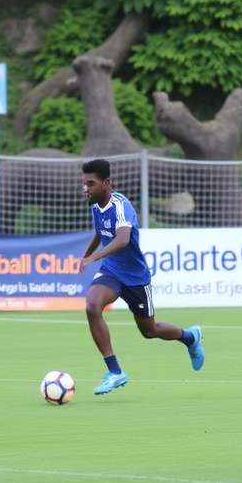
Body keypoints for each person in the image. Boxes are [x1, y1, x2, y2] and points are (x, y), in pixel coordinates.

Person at [79, 158, 204, 396]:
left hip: (136, 278)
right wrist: (86, 256)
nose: (86, 188)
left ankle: (190, 337)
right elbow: (99, 232)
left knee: (150, 330)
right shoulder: (95, 205)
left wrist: (94, 257)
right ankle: (115, 372)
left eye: (91, 183)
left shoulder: (121, 206)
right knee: (92, 305)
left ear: (106, 183)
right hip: (112, 271)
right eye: (84, 183)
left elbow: (123, 239)